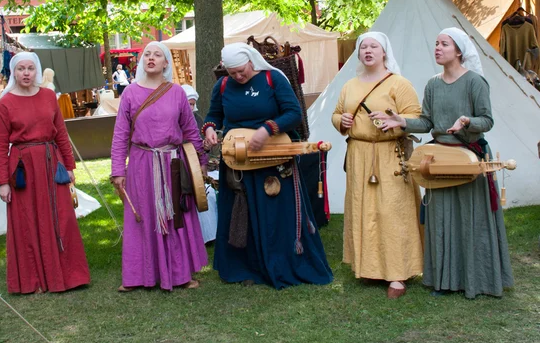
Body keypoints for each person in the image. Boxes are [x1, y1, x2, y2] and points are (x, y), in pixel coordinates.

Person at [374, 27, 514, 299]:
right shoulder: (433, 84)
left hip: (469, 157)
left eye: (444, 44)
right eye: (436, 43)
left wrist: (466, 121)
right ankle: (444, 281)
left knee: (470, 218)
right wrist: (402, 121)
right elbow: (427, 122)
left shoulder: (475, 82)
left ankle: (478, 280)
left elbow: (486, 120)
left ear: (459, 50)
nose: (437, 48)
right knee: (441, 218)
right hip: (437, 160)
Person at [203, 42, 333, 289]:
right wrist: (209, 128)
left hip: (273, 157)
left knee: (276, 212)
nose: (239, 77)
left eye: (242, 71)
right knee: (244, 213)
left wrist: (267, 129)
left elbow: (294, 113)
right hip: (238, 160)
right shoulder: (221, 86)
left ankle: (282, 263)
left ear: (251, 61)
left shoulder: (273, 79)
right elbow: (214, 115)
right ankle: (247, 268)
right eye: (233, 74)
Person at [331, 32, 423, 299]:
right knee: (363, 209)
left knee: (391, 211)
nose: (368, 50)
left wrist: (394, 119)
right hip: (359, 154)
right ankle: (368, 267)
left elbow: (415, 117)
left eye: (374, 46)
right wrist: (342, 121)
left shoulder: (399, 84)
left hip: (389, 154)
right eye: (363, 47)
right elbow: (337, 113)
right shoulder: (350, 85)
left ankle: (398, 273)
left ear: (384, 52)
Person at [111, 41, 209, 291]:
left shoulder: (176, 93)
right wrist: (117, 171)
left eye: (158, 54)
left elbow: (190, 131)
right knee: (141, 217)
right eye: (147, 54)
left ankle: (180, 275)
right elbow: (121, 135)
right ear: (142, 60)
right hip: (141, 165)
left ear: (166, 63)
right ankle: (136, 277)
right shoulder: (130, 93)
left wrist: (201, 164)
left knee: (174, 216)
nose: (151, 58)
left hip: (172, 164)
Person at [0, 52, 90, 294]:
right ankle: (33, 280)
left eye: (30, 68)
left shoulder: (48, 96)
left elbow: (61, 134)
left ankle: (68, 276)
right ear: (13, 72)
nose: (26, 73)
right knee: (28, 220)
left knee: (62, 217)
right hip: (23, 167)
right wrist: (3, 182)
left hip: (51, 163)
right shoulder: (4, 104)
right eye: (21, 69)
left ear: (36, 71)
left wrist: (69, 167)